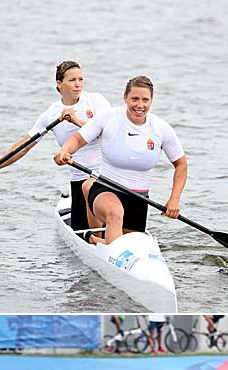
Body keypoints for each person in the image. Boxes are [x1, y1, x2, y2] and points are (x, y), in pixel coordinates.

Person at [0, 61, 110, 233]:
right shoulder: (51, 114)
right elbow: (24, 146)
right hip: (78, 179)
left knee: (103, 227)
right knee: (84, 233)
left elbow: (109, 133)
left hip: (106, 176)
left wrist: (76, 121)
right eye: (72, 80)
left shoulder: (96, 101)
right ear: (59, 84)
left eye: (81, 79)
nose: (78, 84)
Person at [54, 76, 187, 245]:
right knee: (114, 213)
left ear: (151, 100)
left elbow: (181, 164)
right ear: (125, 98)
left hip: (138, 199)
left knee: (130, 242)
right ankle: (107, 247)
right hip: (105, 189)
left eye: (145, 100)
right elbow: (78, 139)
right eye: (134, 99)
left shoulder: (161, 128)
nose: (140, 105)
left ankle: (98, 241)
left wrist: (174, 199)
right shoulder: (109, 117)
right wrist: (65, 151)